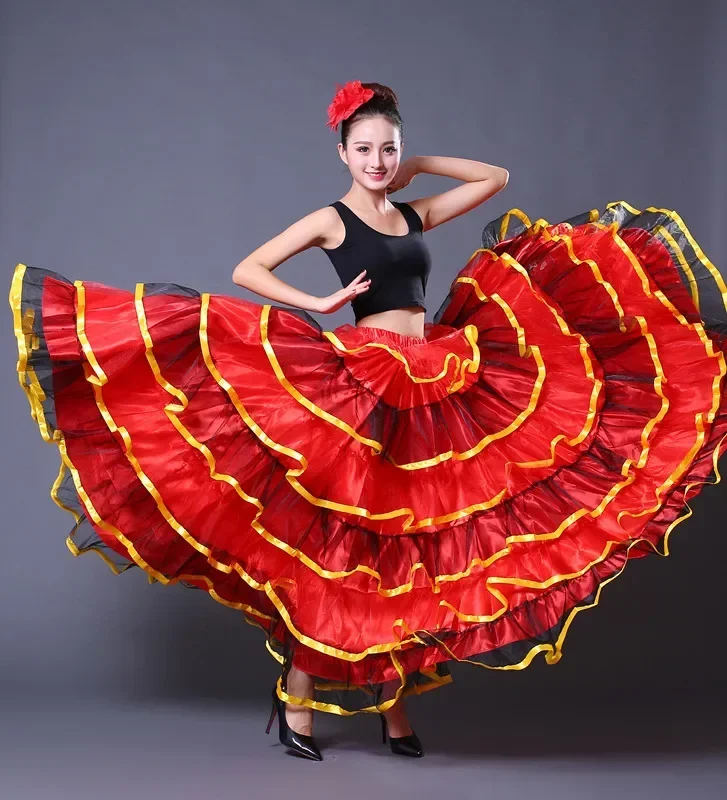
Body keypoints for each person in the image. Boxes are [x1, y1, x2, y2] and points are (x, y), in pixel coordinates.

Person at [9, 80, 727, 763]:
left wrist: (419, 166)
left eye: (389, 149)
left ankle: (393, 703)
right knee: (344, 549)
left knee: (412, 552)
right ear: (342, 155)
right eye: (365, 150)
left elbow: (493, 179)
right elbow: (249, 268)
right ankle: (300, 697)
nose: (378, 162)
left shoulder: (412, 211)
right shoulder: (333, 218)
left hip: (436, 378)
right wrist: (317, 306)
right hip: (364, 382)